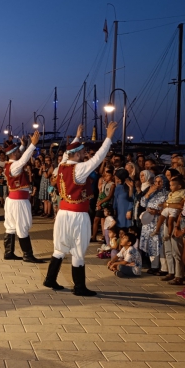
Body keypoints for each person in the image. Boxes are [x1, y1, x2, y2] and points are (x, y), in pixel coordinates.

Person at [43, 121, 118, 295]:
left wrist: (77, 137)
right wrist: (108, 138)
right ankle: (79, 287)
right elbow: (98, 159)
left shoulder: (62, 165)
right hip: (78, 215)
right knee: (78, 249)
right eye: (83, 152)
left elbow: (66, 154)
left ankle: (50, 279)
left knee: (59, 248)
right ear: (76, 154)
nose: (85, 154)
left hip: (62, 213)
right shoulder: (80, 169)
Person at [2, 131, 43, 263]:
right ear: (14, 154)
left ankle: (8, 252)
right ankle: (27, 254)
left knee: (11, 226)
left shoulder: (9, 164)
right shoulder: (15, 166)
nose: (20, 153)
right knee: (22, 226)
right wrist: (32, 145)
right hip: (19, 201)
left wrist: (23, 145)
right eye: (18, 152)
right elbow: (23, 159)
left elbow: (19, 155)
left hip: (12, 200)